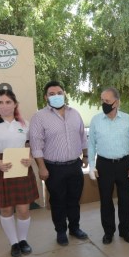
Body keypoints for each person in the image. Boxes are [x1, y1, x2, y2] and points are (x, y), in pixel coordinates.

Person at [0, 89, 39, 257]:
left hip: (21, 169)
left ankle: (23, 240)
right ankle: (14, 243)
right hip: (0, 168)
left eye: (8, 102)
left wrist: (30, 158)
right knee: (5, 210)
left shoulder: (25, 124)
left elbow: (30, 146)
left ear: (15, 104)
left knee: (23, 210)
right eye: (0, 102)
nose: (4, 106)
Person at [30, 81, 89, 246]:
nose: (56, 96)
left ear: (64, 94)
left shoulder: (75, 114)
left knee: (74, 200)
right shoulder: (39, 117)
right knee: (57, 201)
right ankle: (61, 231)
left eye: (59, 93)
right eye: (51, 94)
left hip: (75, 165)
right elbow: (36, 145)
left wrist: (85, 156)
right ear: (46, 97)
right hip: (53, 168)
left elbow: (83, 137)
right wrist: (42, 167)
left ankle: (75, 228)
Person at [88, 87, 129, 244]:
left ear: (116, 102)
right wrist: (92, 166)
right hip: (103, 165)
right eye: (102, 100)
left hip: (124, 164)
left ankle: (125, 231)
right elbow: (91, 145)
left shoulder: (127, 120)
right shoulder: (96, 120)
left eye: (107, 101)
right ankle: (108, 232)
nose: (104, 103)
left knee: (125, 200)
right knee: (106, 200)